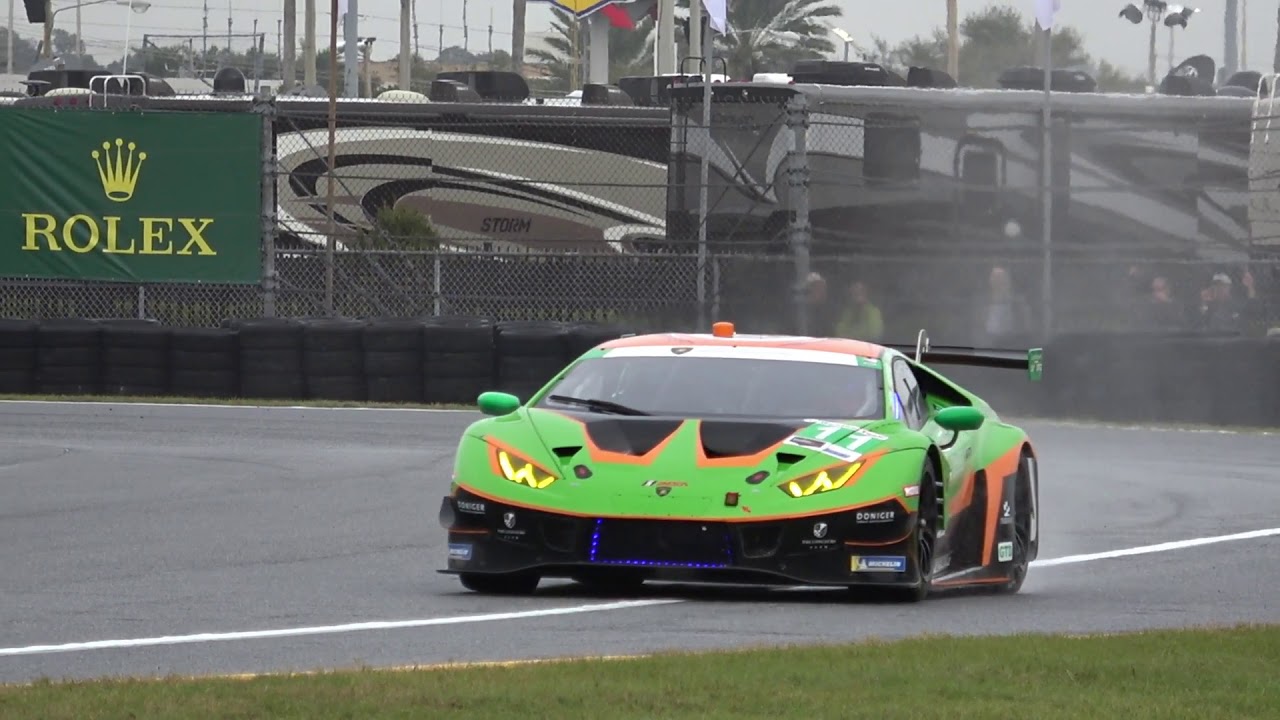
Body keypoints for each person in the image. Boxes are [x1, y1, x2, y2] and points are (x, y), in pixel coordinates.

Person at [974, 265, 1032, 345]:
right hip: (987, 345)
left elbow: (1026, 328)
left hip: (1012, 344)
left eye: (1001, 277)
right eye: (995, 277)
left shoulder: (1018, 303)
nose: (998, 281)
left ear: (1007, 280)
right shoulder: (981, 303)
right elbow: (976, 328)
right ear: (990, 280)